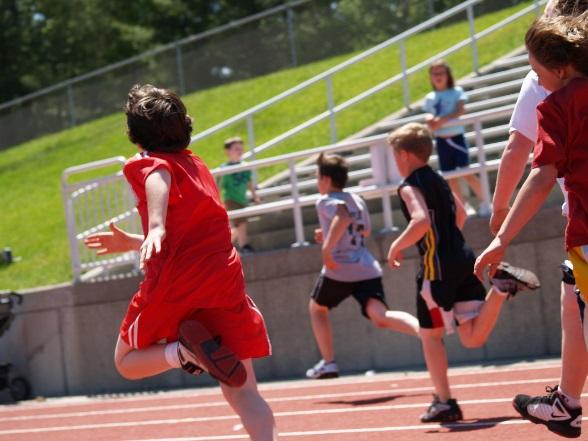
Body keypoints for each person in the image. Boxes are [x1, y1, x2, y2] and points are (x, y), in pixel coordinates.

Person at [84, 84, 277, 441]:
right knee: (243, 390)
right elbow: (190, 237)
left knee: (126, 362)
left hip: (176, 283)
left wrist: (156, 225)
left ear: (134, 135)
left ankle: (183, 352)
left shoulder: (147, 163)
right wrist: (136, 241)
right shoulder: (199, 166)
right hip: (222, 280)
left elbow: (158, 176)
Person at [475, 11, 588, 438]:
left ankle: (565, 405)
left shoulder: (555, 106)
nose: (535, 80)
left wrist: (502, 237)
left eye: (537, 73)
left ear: (560, 68)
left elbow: (540, 176)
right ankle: (564, 404)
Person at [386, 123, 540, 423]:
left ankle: (445, 402)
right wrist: (449, 242)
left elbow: (420, 220)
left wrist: (396, 246)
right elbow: (461, 212)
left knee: (430, 336)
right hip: (462, 256)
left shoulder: (408, 186)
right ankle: (500, 289)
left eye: (395, 155)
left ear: (404, 155)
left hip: (437, 267)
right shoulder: (439, 179)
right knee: (471, 336)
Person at [306, 152, 420, 379]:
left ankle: (329, 362)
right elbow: (364, 230)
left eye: (318, 177)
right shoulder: (357, 199)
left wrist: (327, 248)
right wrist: (328, 233)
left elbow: (342, 217)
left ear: (326, 179)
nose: (317, 182)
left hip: (339, 268)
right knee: (380, 316)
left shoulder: (325, 201)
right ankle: (424, 331)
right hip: (366, 267)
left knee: (317, 309)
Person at [423, 60, 486, 215]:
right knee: (450, 177)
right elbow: (429, 114)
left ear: (448, 75)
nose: (438, 76)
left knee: (466, 172)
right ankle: (463, 206)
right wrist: (430, 119)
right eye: (435, 74)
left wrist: (440, 121)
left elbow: (460, 110)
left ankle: (485, 200)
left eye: (441, 73)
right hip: (441, 141)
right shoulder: (430, 97)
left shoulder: (456, 91)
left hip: (456, 138)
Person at [219, 136, 260, 254]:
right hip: (231, 199)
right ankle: (240, 245)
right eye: (236, 149)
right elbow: (219, 186)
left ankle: (233, 245)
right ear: (227, 151)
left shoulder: (244, 165)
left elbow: (249, 182)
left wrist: (255, 196)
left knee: (240, 224)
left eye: (241, 149)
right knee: (239, 223)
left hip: (242, 199)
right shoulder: (224, 168)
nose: (239, 151)